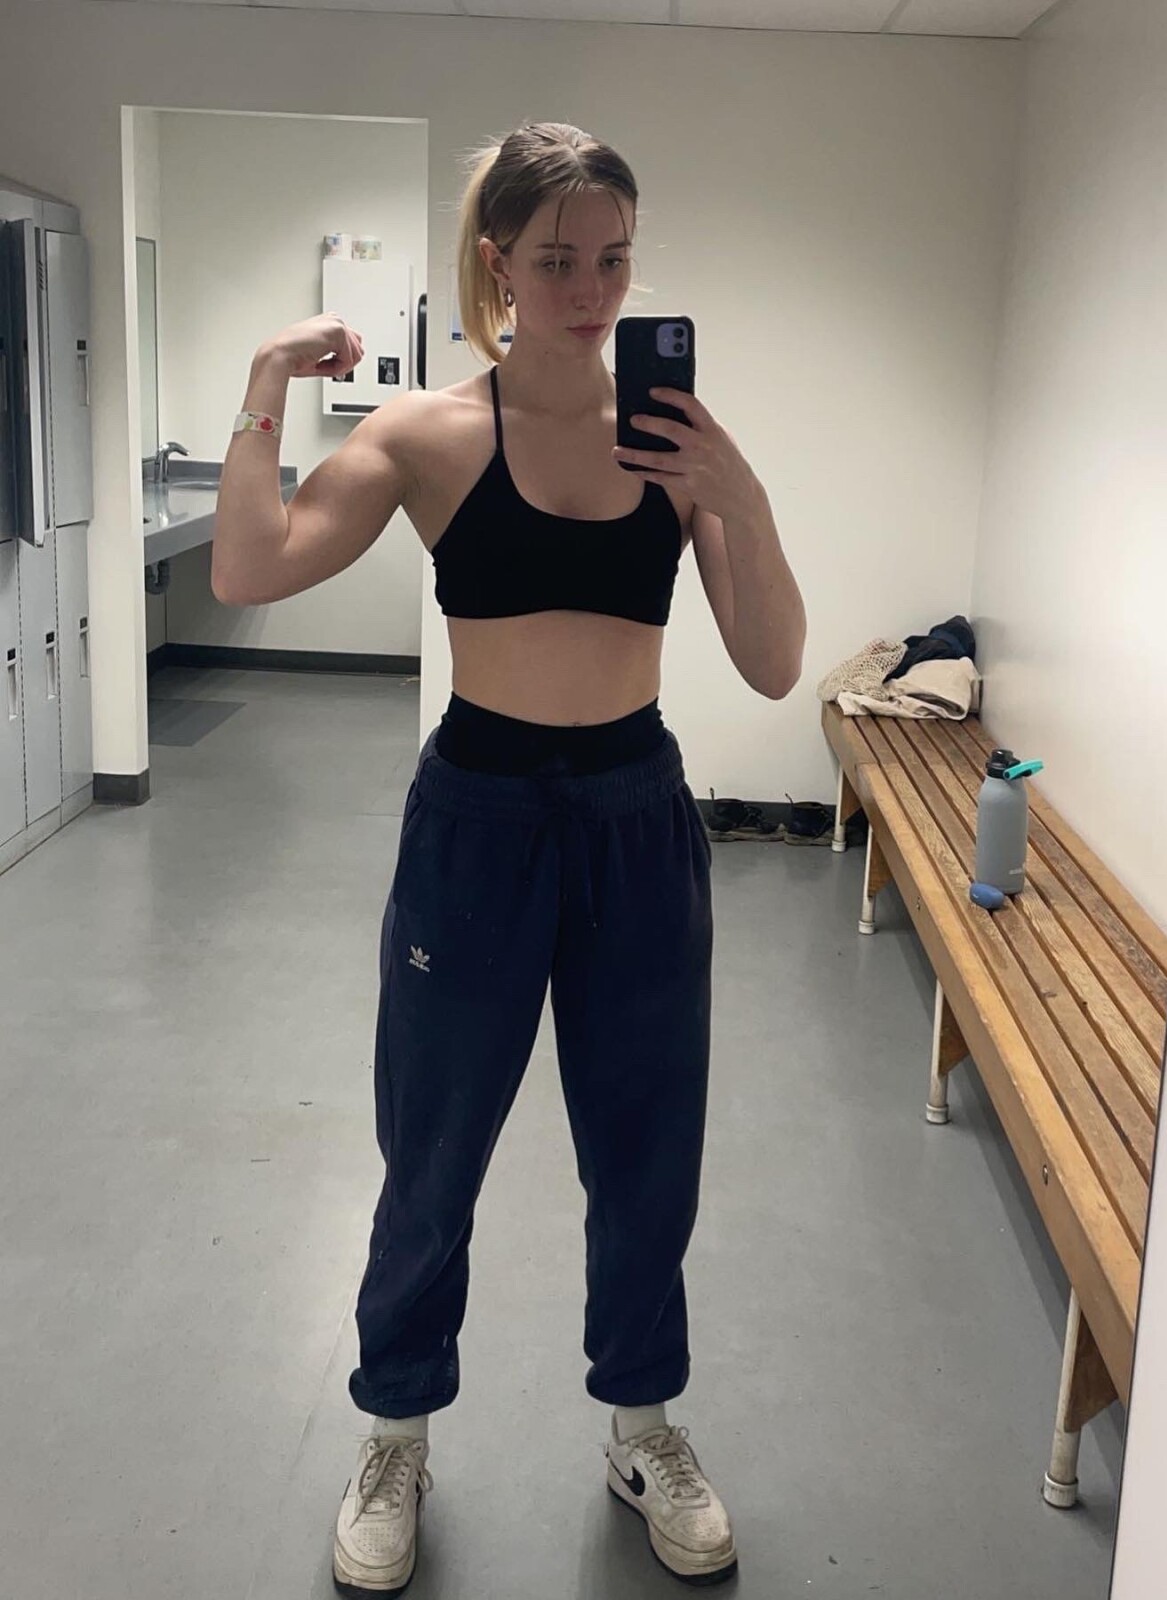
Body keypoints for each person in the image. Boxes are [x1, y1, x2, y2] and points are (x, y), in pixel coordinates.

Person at [212, 120, 806, 1597]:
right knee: (432, 1149)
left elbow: (776, 663)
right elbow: (248, 567)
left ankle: (643, 1429)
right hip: (477, 819)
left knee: (647, 1147)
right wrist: (265, 385)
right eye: (557, 261)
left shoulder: (673, 440)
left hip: (634, 814)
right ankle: (396, 1436)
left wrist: (739, 490)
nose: (590, 290)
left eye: (614, 259)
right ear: (498, 264)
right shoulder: (429, 437)